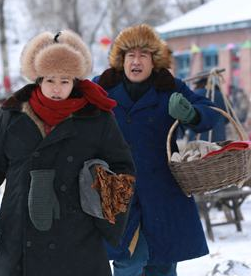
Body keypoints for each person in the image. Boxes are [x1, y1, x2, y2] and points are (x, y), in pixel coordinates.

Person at [0, 30, 136, 276]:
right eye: (50, 80)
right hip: (20, 239)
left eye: (64, 80)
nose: (57, 88)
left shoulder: (97, 118)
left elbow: (123, 169)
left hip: (78, 240)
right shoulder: (11, 116)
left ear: (75, 81)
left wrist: (101, 197)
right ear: (38, 79)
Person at [92, 24, 220, 276]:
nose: (136, 61)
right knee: (128, 261)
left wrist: (192, 113)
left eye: (143, 55)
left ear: (154, 61)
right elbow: (71, 106)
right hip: (119, 191)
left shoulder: (169, 87)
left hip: (163, 191)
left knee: (162, 263)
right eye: (130, 55)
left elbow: (211, 114)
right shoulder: (102, 87)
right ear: (122, 60)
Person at [187, 74, 227, 142]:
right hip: (219, 139)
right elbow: (228, 117)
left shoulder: (194, 94)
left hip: (198, 138)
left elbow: (187, 116)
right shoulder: (222, 96)